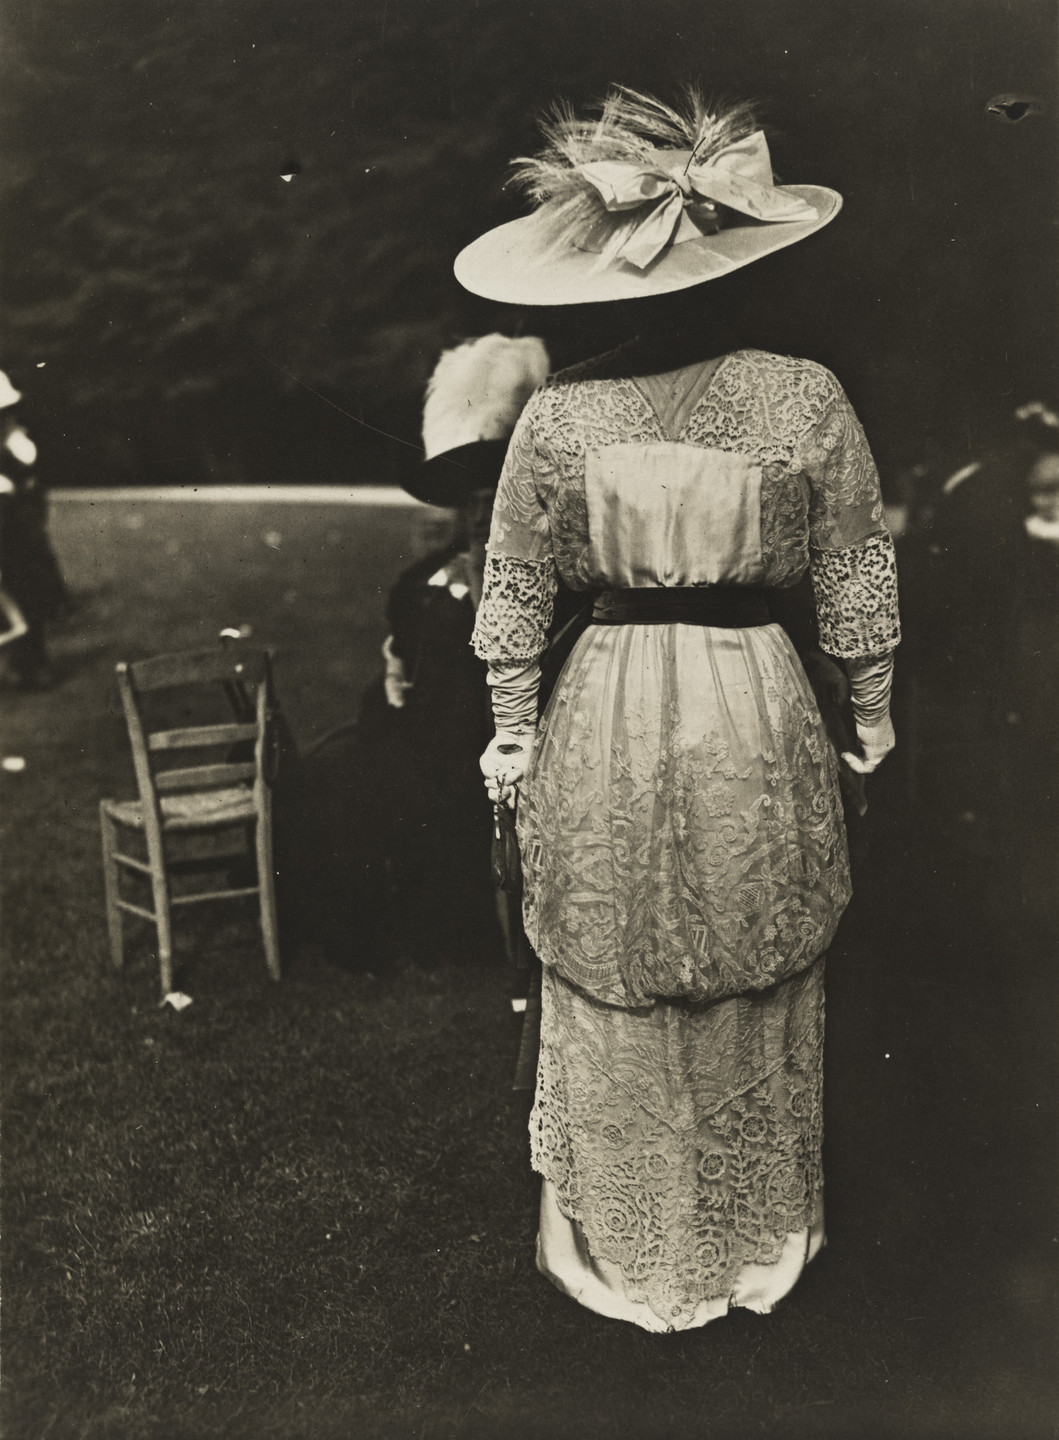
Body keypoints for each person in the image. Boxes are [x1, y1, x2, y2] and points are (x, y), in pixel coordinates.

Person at [457, 87, 900, 1332]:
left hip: (606, 697)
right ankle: (747, 1233)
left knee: (628, 940)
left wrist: (513, 726)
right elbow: (857, 573)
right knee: (735, 935)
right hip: (748, 697)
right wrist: (869, 720)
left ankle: (635, 1235)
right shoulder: (803, 395)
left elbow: (514, 593)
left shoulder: (559, 415)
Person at [0, 370, 69, 689]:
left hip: (16, 526)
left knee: (27, 589)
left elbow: (27, 471)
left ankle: (31, 663)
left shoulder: (15, 440)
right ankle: (21, 661)